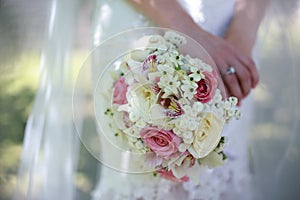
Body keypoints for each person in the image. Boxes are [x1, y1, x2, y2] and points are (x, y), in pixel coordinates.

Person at [91, 0, 270, 199]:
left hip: (229, 31)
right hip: (143, 22)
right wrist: (185, 30)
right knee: (142, 183)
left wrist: (242, 34)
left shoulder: (236, 46)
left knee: (224, 171)